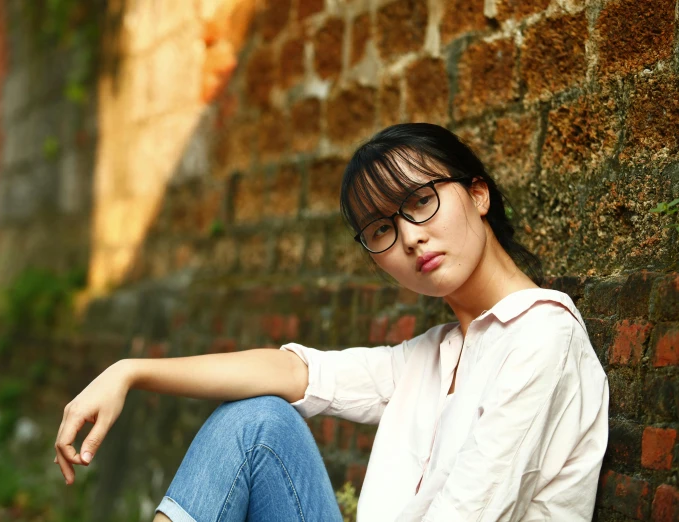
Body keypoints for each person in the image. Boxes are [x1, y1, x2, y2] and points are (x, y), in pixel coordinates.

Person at [54, 123, 609, 521]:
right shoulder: (434, 354)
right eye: (381, 230)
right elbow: (291, 371)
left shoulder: (542, 336)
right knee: (256, 423)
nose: (410, 236)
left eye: (421, 202)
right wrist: (129, 371)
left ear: (478, 193)